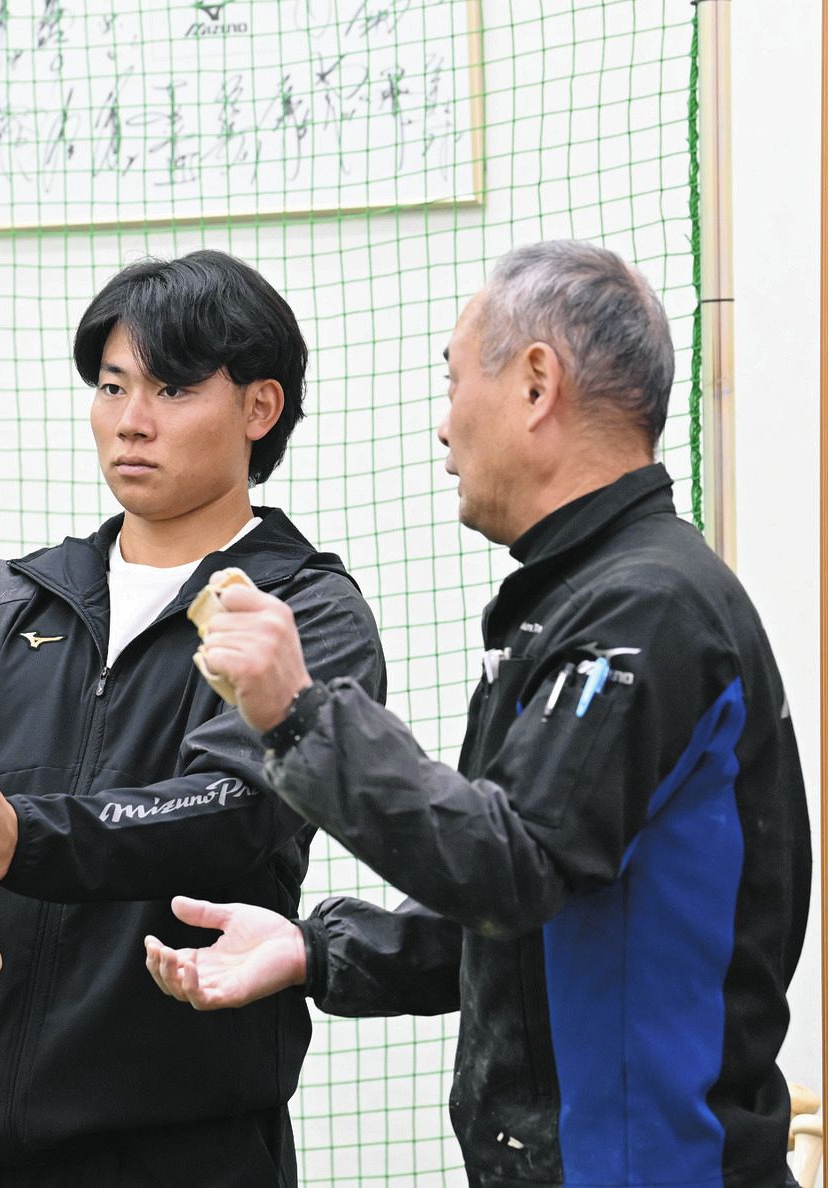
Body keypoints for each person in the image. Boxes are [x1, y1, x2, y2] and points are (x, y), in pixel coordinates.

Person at [146, 240, 812, 1188]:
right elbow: (536, 914)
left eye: (455, 380)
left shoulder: (646, 608)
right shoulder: (589, 599)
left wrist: (302, 715)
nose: (444, 427)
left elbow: (512, 866)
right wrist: (315, 948)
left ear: (537, 384)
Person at [0, 249, 386, 1187]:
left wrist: (19, 835)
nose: (130, 421)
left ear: (259, 408)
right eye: (111, 387)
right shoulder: (6, 605)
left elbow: (236, 809)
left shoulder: (298, 610)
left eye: (171, 388)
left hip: (188, 1152)